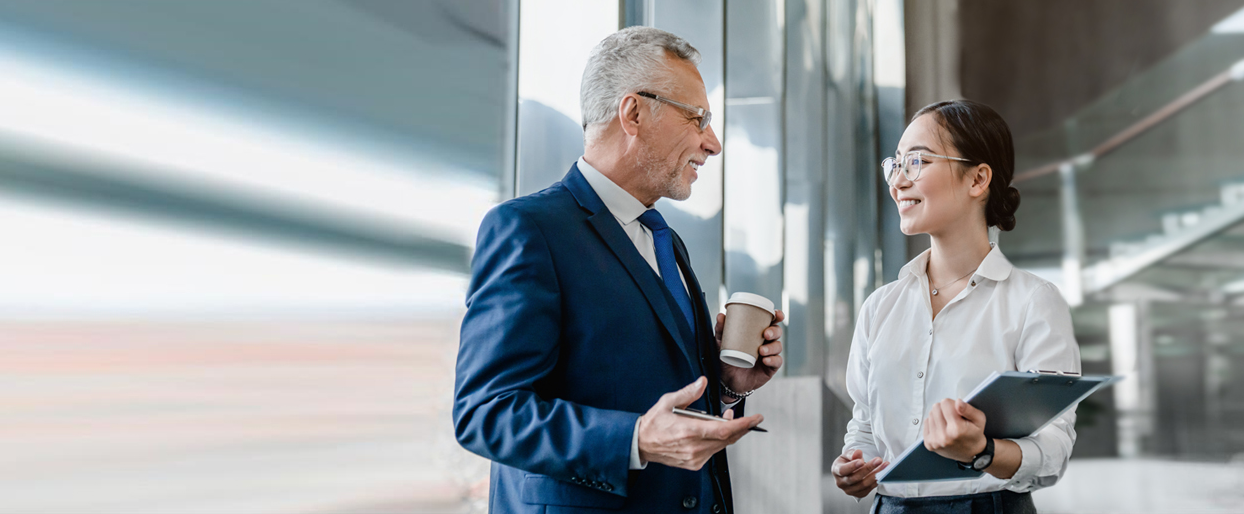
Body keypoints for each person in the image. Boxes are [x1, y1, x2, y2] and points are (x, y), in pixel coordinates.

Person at [454, 26, 786, 514]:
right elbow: (486, 413)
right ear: (633, 113)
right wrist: (634, 440)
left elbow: (657, 393)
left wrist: (725, 385)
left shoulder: (666, 241)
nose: (712, 143)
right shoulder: (529, 229)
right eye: (698, 118)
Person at [832, 100, 1082, 514]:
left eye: (917, 161)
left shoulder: (1032, 302)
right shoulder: (881, 307)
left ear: (977, 178)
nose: (898, 181)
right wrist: (855, 464)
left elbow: (1053, 448)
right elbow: (864, 423)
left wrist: (982, 451)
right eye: (895, 164)